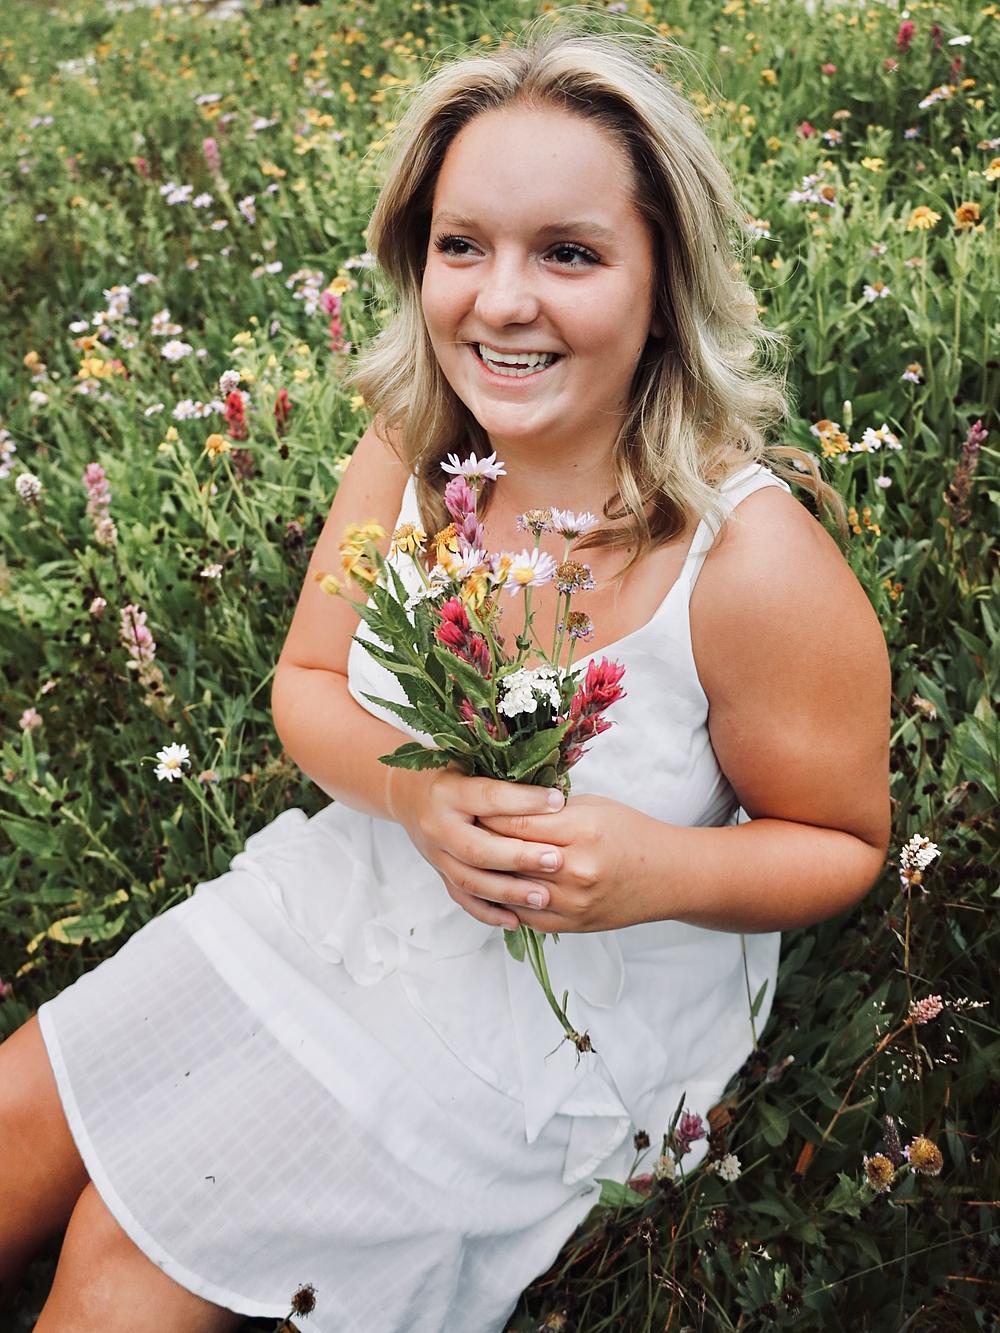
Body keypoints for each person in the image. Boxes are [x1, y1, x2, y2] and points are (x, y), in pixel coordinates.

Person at [0, 24, 891, 1333]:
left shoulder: (749, 563)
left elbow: (844, 842)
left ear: (665, 281)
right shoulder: (417, 445)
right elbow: (309, 681)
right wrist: (412, 796)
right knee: (20, 1115)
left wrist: (655, 868)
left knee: (122, 1259)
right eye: (462, 245)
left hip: (552, 1027)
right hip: (356, 895)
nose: (501, 301)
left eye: (570, 253)